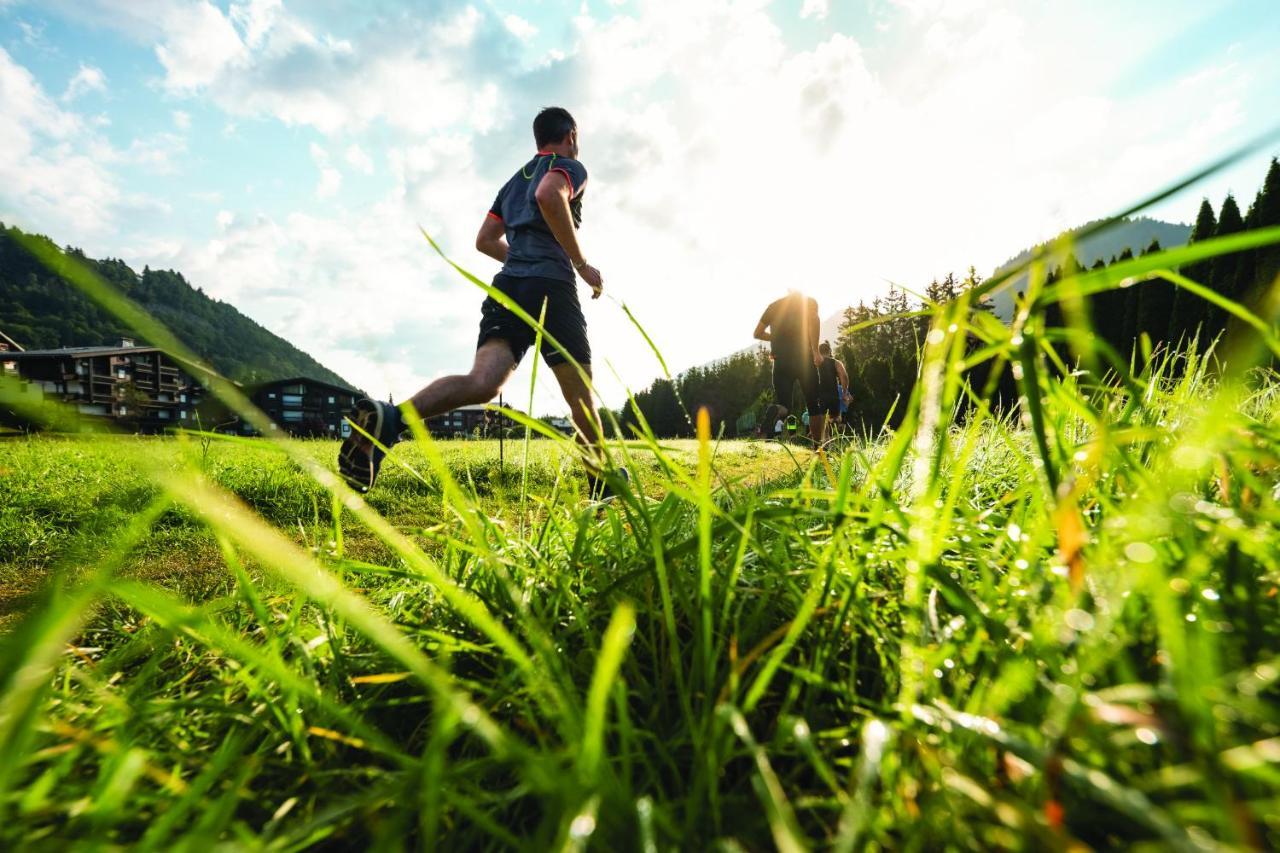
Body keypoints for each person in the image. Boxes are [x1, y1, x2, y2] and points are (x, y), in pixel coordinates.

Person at [338, 106, 621, 498]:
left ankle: (391, 419)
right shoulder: (570, 167)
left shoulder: (512, 182)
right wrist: (580, 263)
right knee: (582, 400)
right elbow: (548, 196)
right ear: (570, 136)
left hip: (508, 288)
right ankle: (602, 486)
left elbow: (485, 239)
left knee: (482, 383)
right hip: (551, 289)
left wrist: (521, 260)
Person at [754, 290, 823, 443]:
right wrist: (816, 351)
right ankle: (818, 448)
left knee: (784, 406)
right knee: (813, 405)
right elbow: (814, 319)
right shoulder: (809, 302)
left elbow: (757, 333)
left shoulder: (773, 306)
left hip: (781, 361)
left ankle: (774, 411)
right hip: (804, 360)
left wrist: (778, 339)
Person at [815, 340, 849, 442]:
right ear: (829, 351)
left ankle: (824, 441)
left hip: (819, 396)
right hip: (833, 396)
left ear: (819, 352)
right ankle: (835, 441)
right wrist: (844, 393)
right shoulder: (836, 362)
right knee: (836, 419)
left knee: (822, 420)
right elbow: (844, 376)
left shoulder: (815, 362)